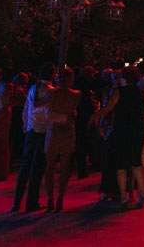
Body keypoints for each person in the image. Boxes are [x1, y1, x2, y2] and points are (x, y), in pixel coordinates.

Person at [93, 66, 144, 208]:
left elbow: (108, 108)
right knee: (136, 161)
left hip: (122, 129)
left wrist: (94, 116)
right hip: (138, 128)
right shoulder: (141, 92)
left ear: (124, 78)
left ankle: (124, 199)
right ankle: (142, 194)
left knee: (121, 164)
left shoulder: (118, 92)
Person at [12, 62, 54, 212]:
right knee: (37, 168)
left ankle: (16, 203)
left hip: (31, 129)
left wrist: (26, 126)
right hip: (43, 131)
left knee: (25, 166)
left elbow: (26, 110)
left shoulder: (32, 89)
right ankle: (31, 203)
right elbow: (49, 114)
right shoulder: (51, 92)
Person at [44, 67, 80, 211]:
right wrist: (66, 117)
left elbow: (50, 112)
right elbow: (51, 113)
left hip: (63, 130)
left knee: (58, 168)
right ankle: (54, 198)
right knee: (52, 168)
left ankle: (56, 198)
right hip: (60, 129)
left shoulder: (74, 95)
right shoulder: (56, 94)